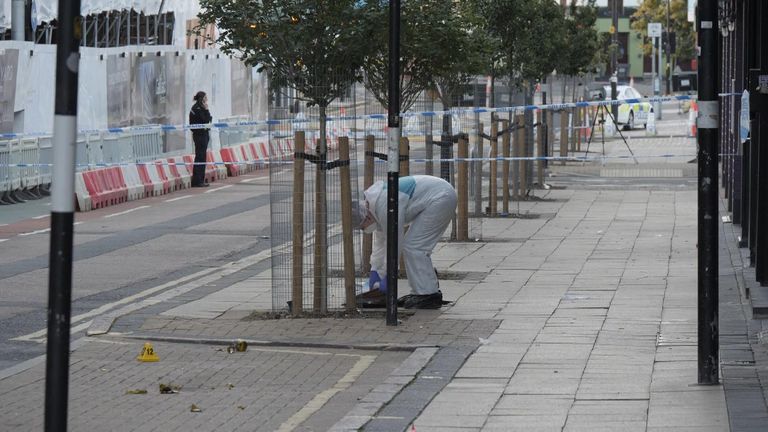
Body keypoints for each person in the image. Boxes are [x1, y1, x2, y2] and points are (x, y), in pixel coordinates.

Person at [352, 175, 457, 309]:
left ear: (366, 218)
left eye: (362, 227)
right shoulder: (375, 205)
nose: (364, 229)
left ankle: (427, 294)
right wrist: (376, 270)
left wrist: (388, 275)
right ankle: (424, 290)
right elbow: (381, 242)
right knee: (414, 246)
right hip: (439, 195)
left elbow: (394, 242)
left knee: (415, 247)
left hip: (441, 197)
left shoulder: (383, 204)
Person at [189, 91, 212, 187]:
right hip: (199, 135)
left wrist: (207, 112)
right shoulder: (197, 108)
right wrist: (206, 110)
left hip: (204, 134)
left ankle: (200, 179)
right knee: (200, 157)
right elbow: (205, 119)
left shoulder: (200, 107)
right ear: (201, 98)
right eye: (205, 98)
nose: (206, 100)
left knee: (202, 157)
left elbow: (210, 119)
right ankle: (197, 180)